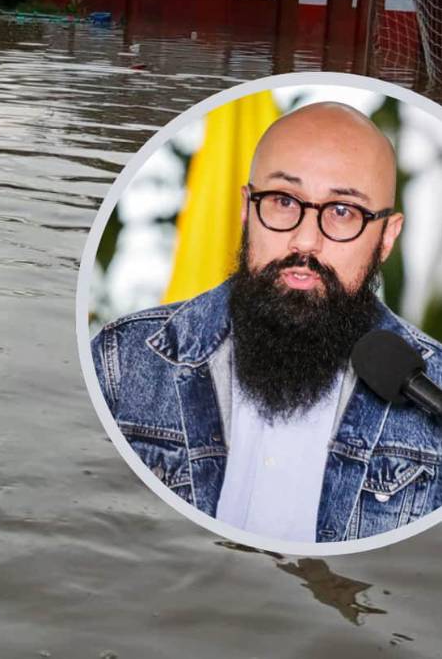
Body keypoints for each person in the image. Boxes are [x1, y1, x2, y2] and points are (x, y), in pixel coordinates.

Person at [92, 101, 442, 543]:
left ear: (387, 237)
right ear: (246, 208)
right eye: (283, 201)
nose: (305, 240)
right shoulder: (122, 363)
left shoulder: (433, 392)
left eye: (342, 211)